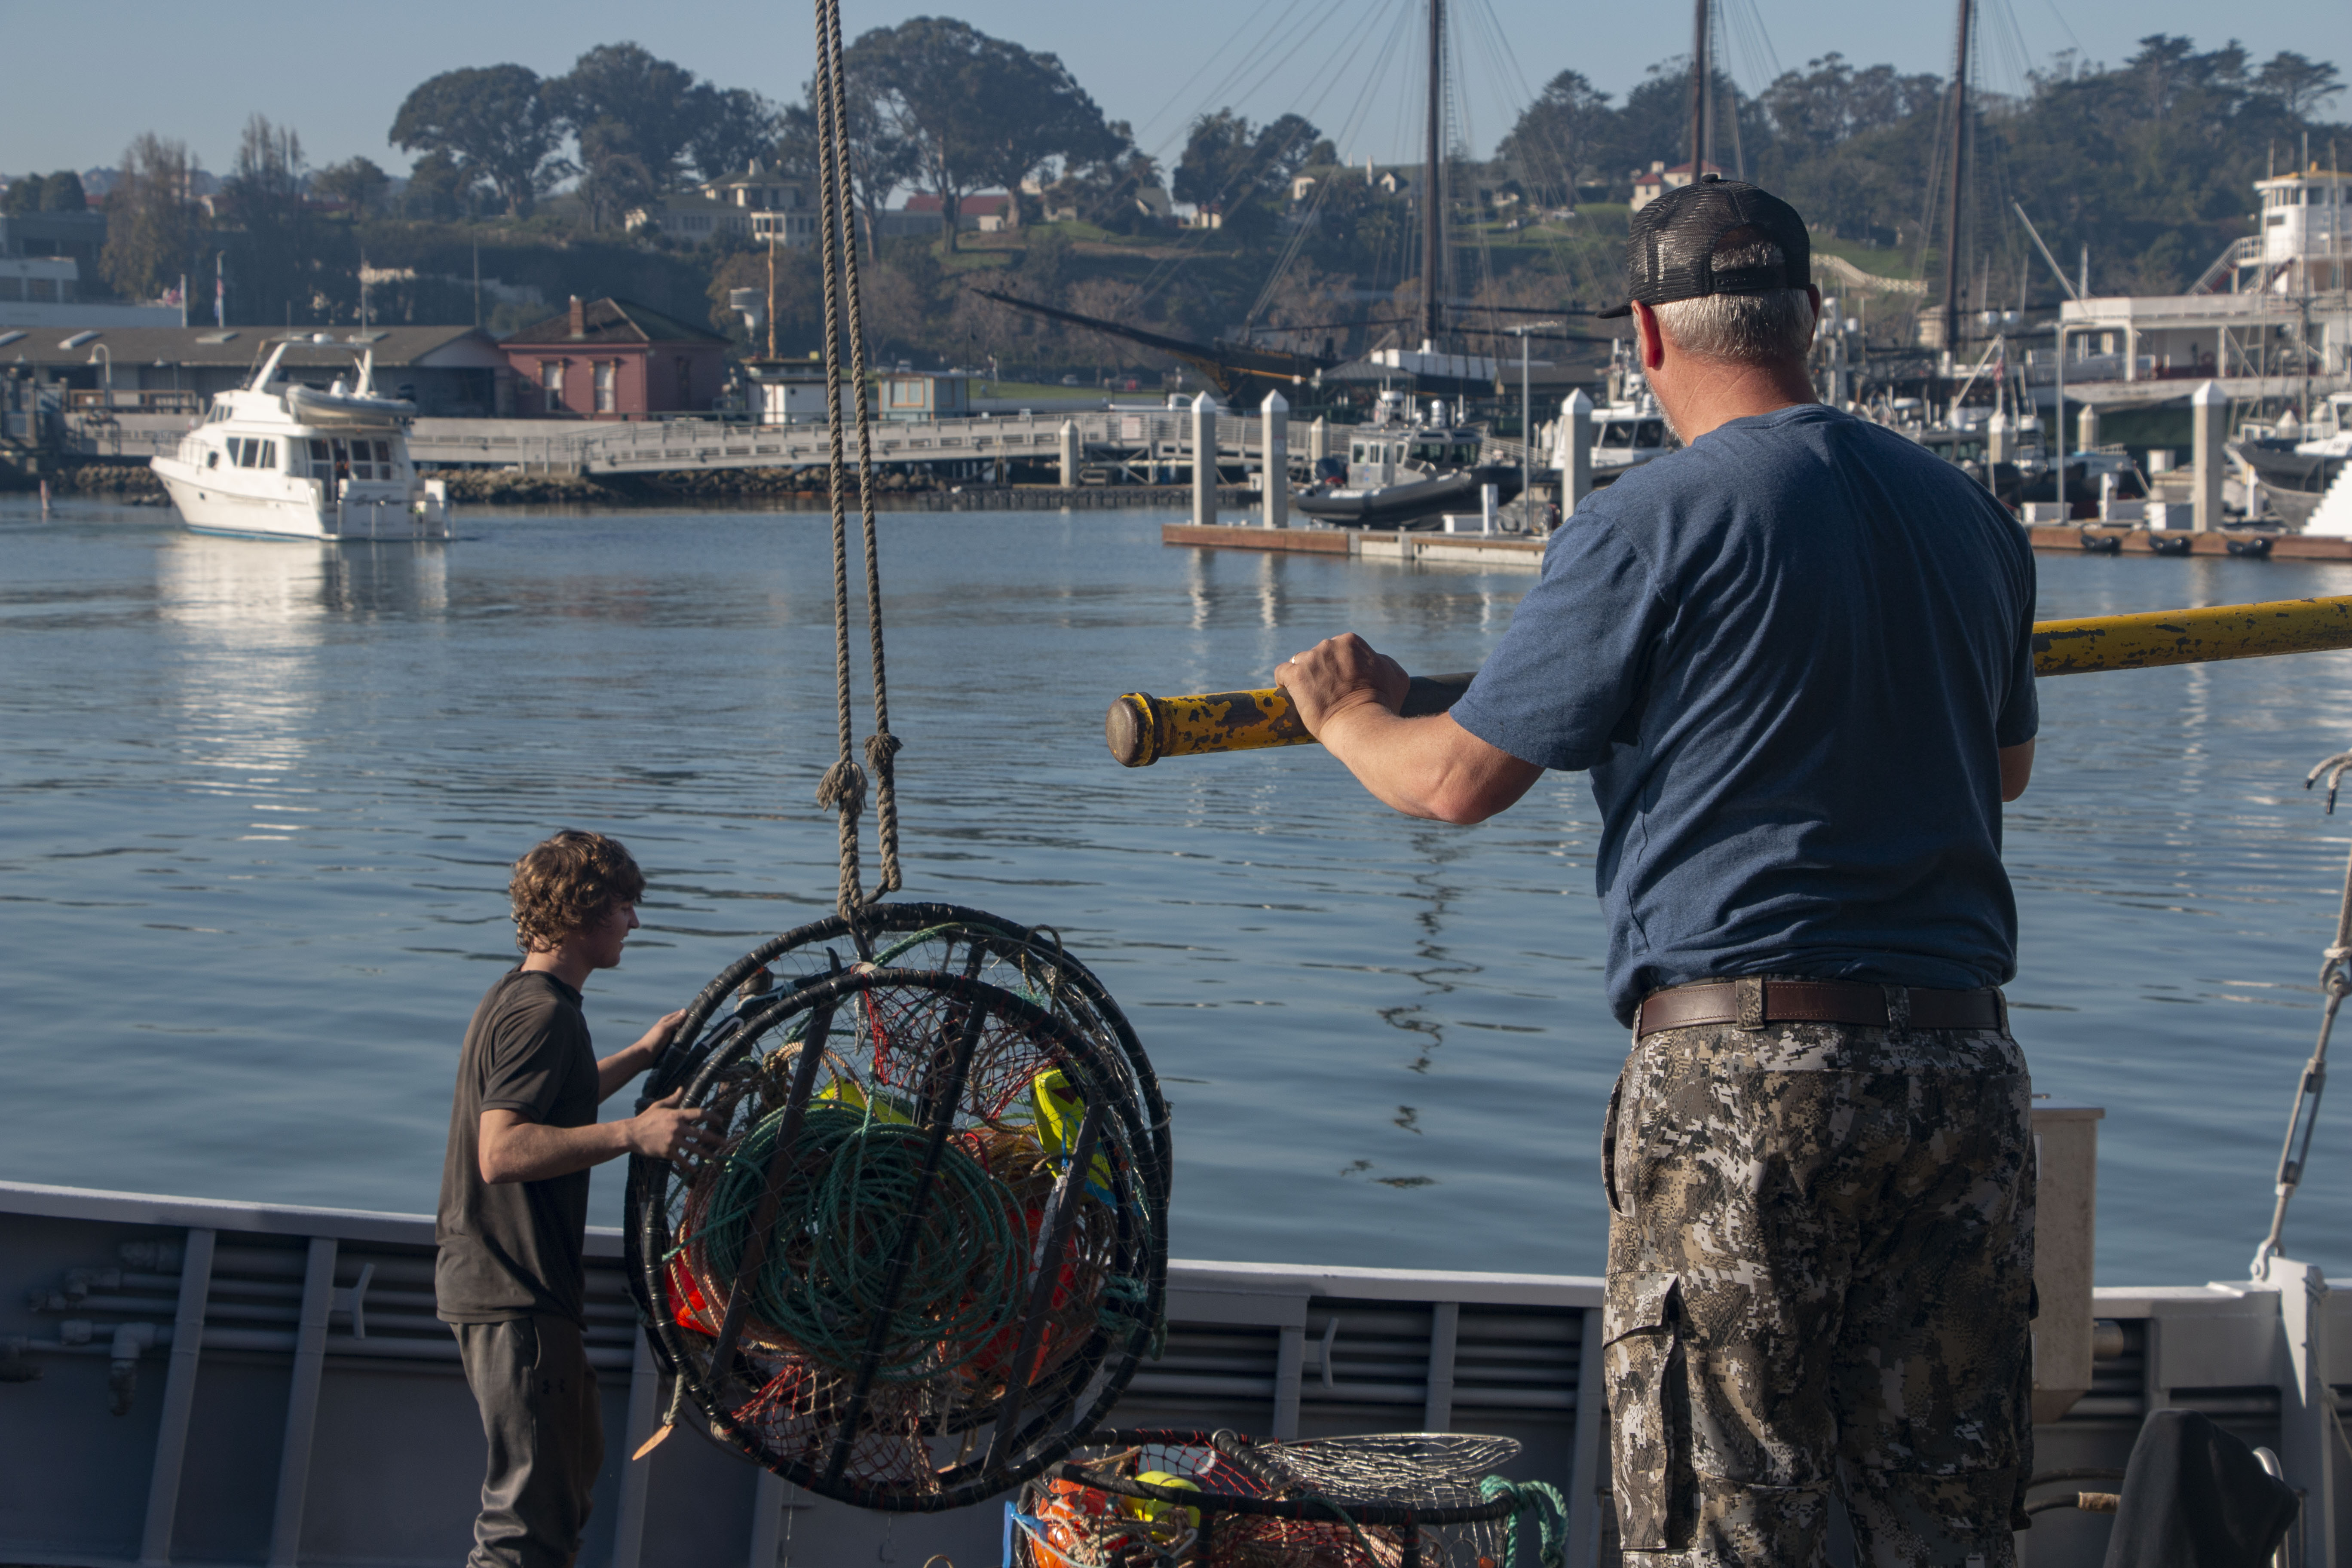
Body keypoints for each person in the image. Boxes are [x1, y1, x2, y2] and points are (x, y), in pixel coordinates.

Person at [1274, 176, 2039, 1567]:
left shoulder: (1651, 523)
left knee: (1721, 1529)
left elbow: (1454, 779)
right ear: (1812, 316)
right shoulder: (1970, 517)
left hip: (1747, 1085)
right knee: (1943, 1526)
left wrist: (1344, 713)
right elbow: (2003, 770)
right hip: (1959, 1078)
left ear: (1644, 331)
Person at [435, 830, 721, 1568]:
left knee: (573, 1462)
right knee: (526, 1525)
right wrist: (634, 1134)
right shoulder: (544, 1015)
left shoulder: (523, 996)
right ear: (582, 911)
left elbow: (558, 1101)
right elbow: (501, 1152)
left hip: (514, 1290)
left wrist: (644, 1053)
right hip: (516, 1291)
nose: (635, 922)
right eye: (626, 905)